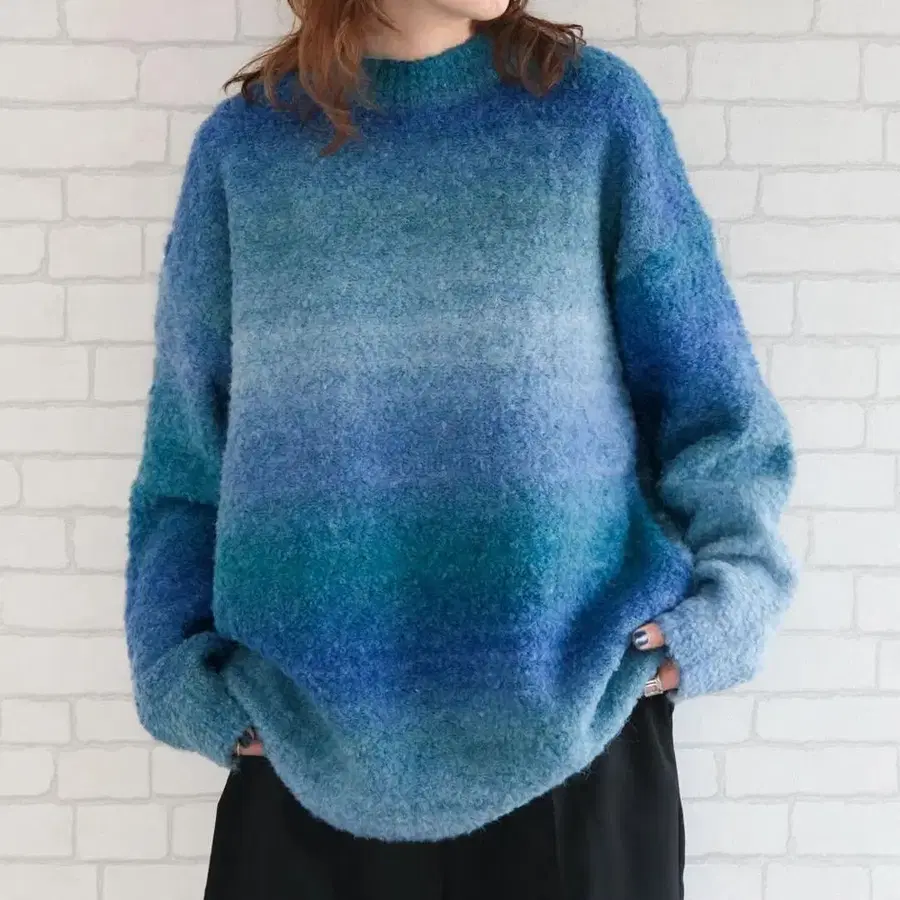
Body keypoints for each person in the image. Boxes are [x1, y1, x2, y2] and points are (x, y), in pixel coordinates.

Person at [124, 1, 797, 897]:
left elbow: (713, 405)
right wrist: (176, 672)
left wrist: (730, 605)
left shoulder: (593, 117)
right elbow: (185, 464)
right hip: (305, 758)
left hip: (578, 748)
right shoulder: (245, 154)